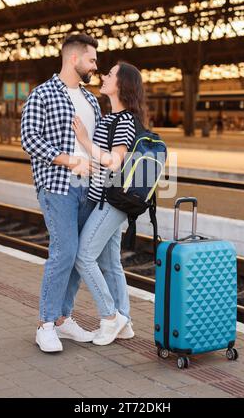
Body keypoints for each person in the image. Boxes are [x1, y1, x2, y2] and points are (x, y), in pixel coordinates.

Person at [21, 33, 102, 353]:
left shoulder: (92, 99)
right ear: (74, 58)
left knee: (80, 255)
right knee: (65, 251)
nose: (96, 65)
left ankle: (62, 319)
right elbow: (29, 139)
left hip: (90, 189)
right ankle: (44, 324)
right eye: (92, 60)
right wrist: (70, 161)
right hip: (57, 186)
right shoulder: (42, 94)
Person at [71, 62, 146, 346]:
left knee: (83, 256)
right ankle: (124, 322)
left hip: (111, 201)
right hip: (106, 197)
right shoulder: (109, 118)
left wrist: (86, 143)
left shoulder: (124, 120)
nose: (104, 76)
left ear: (122, 85)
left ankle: (110, 316)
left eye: (110, 74)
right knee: (110, 262)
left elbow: (115, 161)